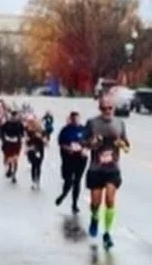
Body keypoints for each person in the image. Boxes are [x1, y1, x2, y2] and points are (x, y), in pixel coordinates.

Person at [83, 93, 129, 249]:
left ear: (114, 108)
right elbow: (84, 143)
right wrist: (93, 143)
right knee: (96, 202)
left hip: (112, 169)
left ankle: (107, 233)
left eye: (110, 108)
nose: (107, 111)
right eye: (104, 108)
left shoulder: (120, 123)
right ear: (100, 108)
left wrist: (121, 144)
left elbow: (127, 146)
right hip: (96, 168)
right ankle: (95, 217)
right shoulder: (92, 123)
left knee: (110, 199)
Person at [55, 110, 88, 212]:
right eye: (73, 119)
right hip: (69, 159)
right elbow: (61, 143)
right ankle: (64, 194)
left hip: (81, 158)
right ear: (71, 119)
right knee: (68, 181)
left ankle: (74, 204)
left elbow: (89, 143)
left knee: (77, 181)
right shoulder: (65, 130)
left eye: (77, 119)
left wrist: (84, 149)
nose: (75, 121)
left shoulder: (84, 130)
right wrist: (68, 149)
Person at [0, 110, 25, 182]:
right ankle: (9, 169)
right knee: (9, 158)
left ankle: (14, 175)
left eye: (15, 116)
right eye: (13, 116)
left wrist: (20, 137)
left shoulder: (20, 124)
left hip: (16, 144)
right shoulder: (7, 123)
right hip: (8, 143)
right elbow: (1, 131)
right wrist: (3, 139)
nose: (14, 117)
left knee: (15, 159)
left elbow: (23, 133)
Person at [24, 117, 46, 188]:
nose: (33, 125)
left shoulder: (42, 132)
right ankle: (33, 181)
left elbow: (45, 142)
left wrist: (41, 138)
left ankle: (38, 181)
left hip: (40, 150)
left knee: (38, 166)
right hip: (32, 150)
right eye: (32, 123)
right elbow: (27, 141)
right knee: (33, 166)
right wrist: (27, 148)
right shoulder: (29, 132)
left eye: (35, 123)